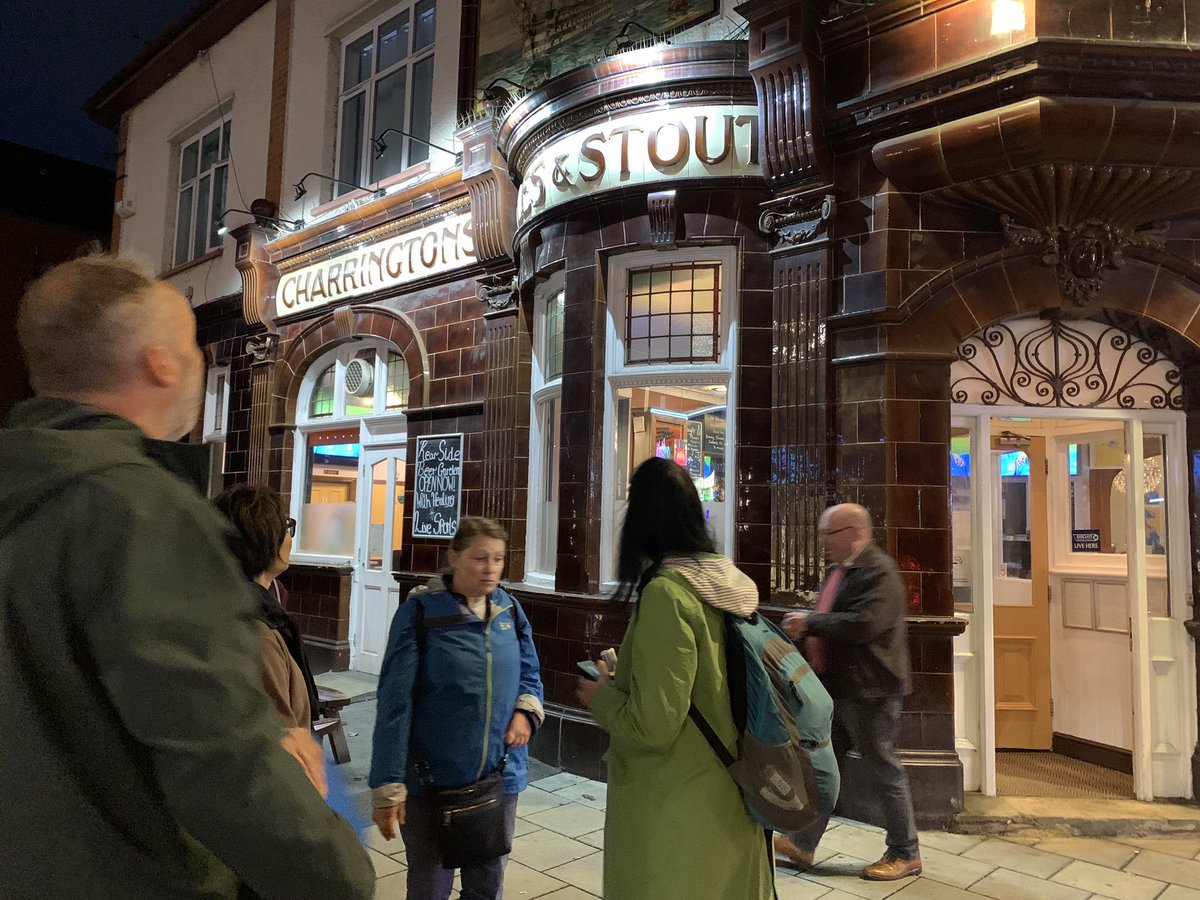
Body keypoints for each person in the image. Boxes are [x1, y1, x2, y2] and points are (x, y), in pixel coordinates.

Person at [0, 255, 374, 900]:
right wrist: (339, 876)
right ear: (160, 363)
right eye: (193, 346)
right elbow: (215, 753)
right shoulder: (144, 511)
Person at [575, 458, 774, 900]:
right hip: (728, 794)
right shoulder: (724, 582)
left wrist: (601, 698)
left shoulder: (667, 593)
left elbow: (655, 724)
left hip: (677, 808)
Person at [370, 516, 544, 900]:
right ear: (454, 557)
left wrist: (525, 713)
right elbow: (395, 701)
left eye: (498, 559)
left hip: (500, 777)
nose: (490, 568)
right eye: (480, 558)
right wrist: (388, 785)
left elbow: (530, 673)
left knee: (487, 883)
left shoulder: (509, 610)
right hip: (434, 783)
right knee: (430, 885)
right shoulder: (421, 614)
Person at [776, 502, 922, 881]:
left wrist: (811, 623)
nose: (825, 542)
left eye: (831, 534)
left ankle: (905, 852)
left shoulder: (879, 571)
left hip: (870, 689)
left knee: (883, 768)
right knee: (826, 768)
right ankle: (803, 844)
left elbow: (865, 624)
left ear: (855, 532)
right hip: (841, 687)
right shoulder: (842, 569)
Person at [215, 484, 319, 730]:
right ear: (264, 540)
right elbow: (279, 734)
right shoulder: (257, 628)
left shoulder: (268, 600)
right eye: (284, 527)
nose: (290, 537)